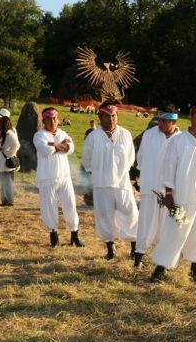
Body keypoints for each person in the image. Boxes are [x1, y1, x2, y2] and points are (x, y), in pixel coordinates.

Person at [151, 103, 196, 282]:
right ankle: (161, 267)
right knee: (175, 233)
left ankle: (195, 267)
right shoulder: (179, 140)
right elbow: (169, 167)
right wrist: (169, 193)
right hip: (182, 195)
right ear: (191, 117)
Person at [81, 102, 138, 260]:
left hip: (122, 183)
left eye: (114, 116)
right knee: (105, 215)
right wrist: (100, 172)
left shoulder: (125, 134)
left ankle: (134, 247)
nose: (112, 119)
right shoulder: (93, 136)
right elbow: (86, 160)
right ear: (100, 117)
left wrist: (120, 172)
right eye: (108, 116)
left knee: (130, 212)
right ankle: (110, 248)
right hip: (101, 183)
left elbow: (131, 157)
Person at [133, 105, 181, 267]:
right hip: (150, 187)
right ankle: (139, 256)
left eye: (164, 121)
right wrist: (146, 178)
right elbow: (141, 158)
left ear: (173, 121)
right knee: (146, 223)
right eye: (159, 120)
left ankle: (161, 261)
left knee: (167, 226)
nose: (159, 123)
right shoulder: (149, 134)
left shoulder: (181, 139)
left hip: (173, 191)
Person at [34, 107, 84, 247]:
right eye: (49, 119)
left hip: (64, 176)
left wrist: (56, 145)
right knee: (49, 207)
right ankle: (53, 234)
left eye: (54, 118)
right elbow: (46, 151)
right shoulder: (39, 135)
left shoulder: (62, 132)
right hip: (47, 177)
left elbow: (71, 148)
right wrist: (62, 146)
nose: (52, 121)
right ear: (43, 120)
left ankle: (74, 234)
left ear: (58, 119)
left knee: (70, 205)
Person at [0, 111, 20, 205]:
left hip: (6, 160)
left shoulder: (9, 133)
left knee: (7, 181)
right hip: (3, 160)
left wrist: (7, 154)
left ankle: (8, 201)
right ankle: (6, 200)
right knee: (5, 181)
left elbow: (16, 145)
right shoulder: (4, 133)